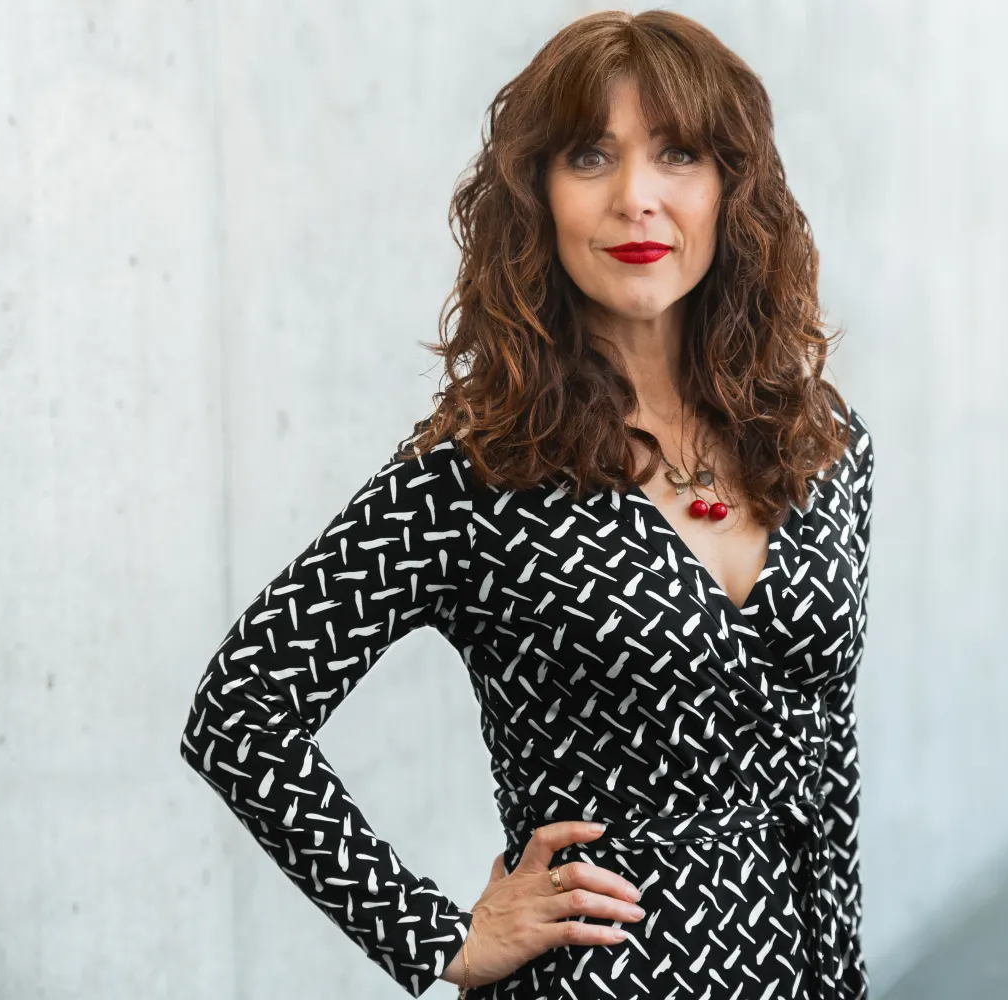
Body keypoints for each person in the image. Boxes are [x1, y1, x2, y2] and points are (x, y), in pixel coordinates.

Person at [178, 9, 875, 999]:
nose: (637, 197)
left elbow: (827, 766)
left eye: (677, 153)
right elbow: (241, 712)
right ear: (538, 196)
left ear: (733, 188)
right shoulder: (478, 474)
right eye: (591, 157)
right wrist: (434, 935)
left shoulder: (825, 444)